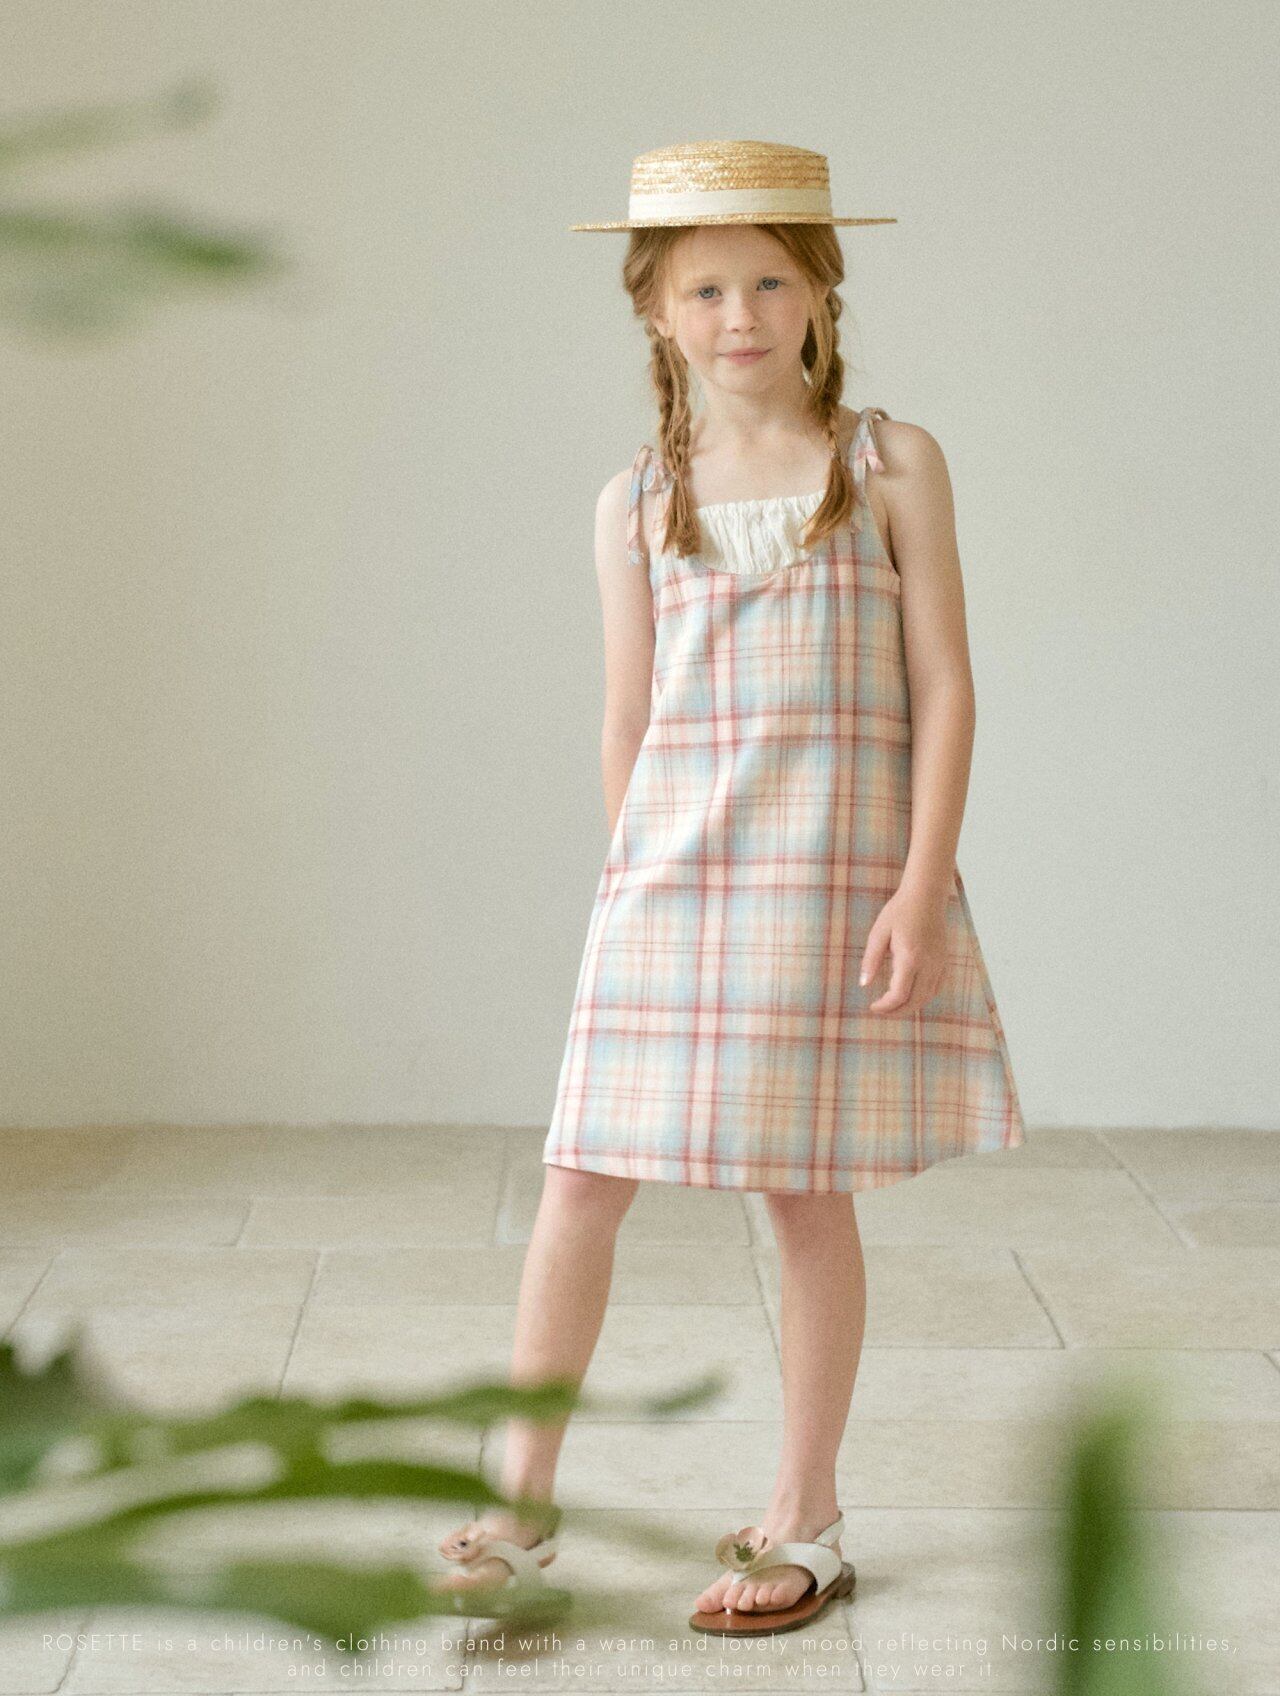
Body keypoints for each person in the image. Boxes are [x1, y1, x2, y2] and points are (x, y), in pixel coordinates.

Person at [434, 139, 1026, 1635]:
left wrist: (920, 886)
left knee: (803, 1191)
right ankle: (518, 1503)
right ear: (654, 308)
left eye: (770, 279)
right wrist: (625, 882)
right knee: (579, 1181)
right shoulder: (637, 498)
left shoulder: (891, 465)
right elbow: (627, 717)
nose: (741, 314)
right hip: (669, 885)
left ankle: (805, 1514)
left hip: (828, 885)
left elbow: (947, 685)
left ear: (824, 286)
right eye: (705, 289)